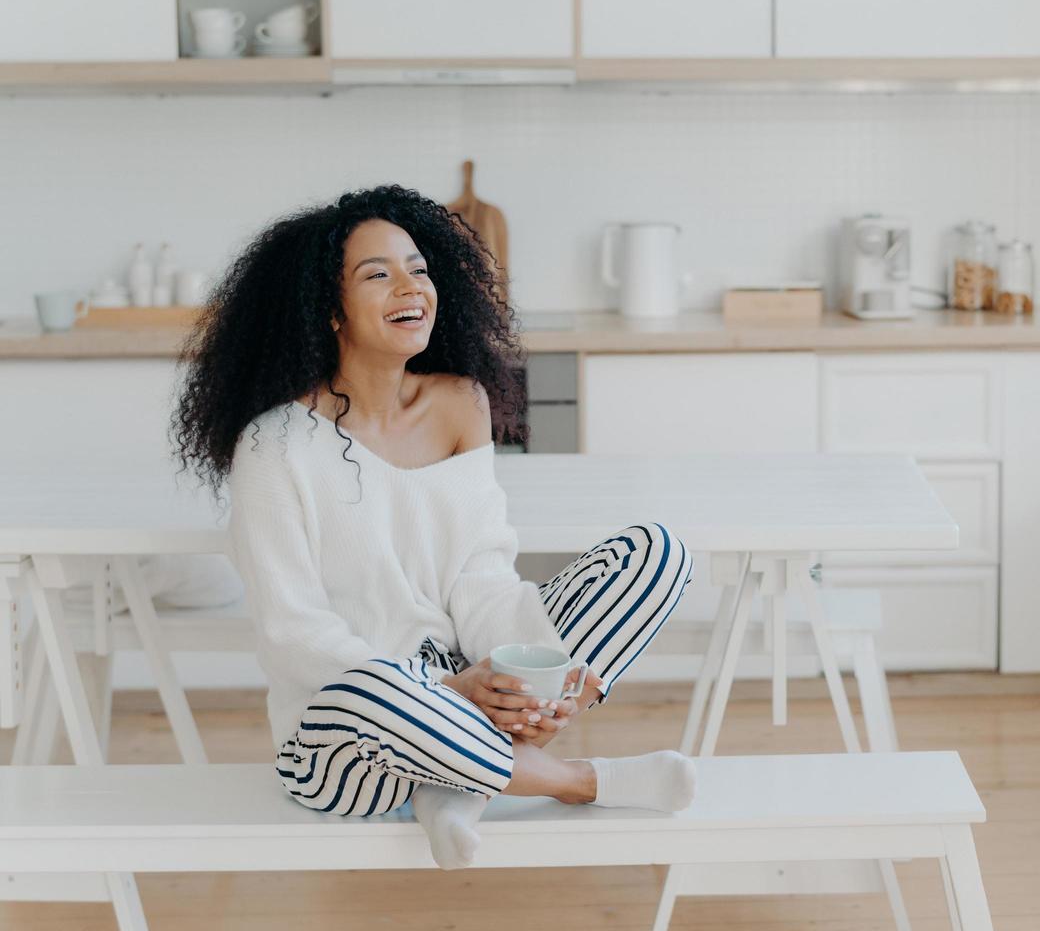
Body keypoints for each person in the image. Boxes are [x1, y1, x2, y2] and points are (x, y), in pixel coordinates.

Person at [172, 183, 696, 869]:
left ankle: (457, 781)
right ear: (328, 310)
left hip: (462, 692)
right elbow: (293, 634)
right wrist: (448, 692)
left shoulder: (459, 404)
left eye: (418, 269)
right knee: (373, 689)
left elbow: (478, 573)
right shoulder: (274, 446)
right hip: (345, 733)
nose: (409, 287)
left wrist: (532, 676)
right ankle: (573, 780)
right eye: (378, 274)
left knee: (656, 554)